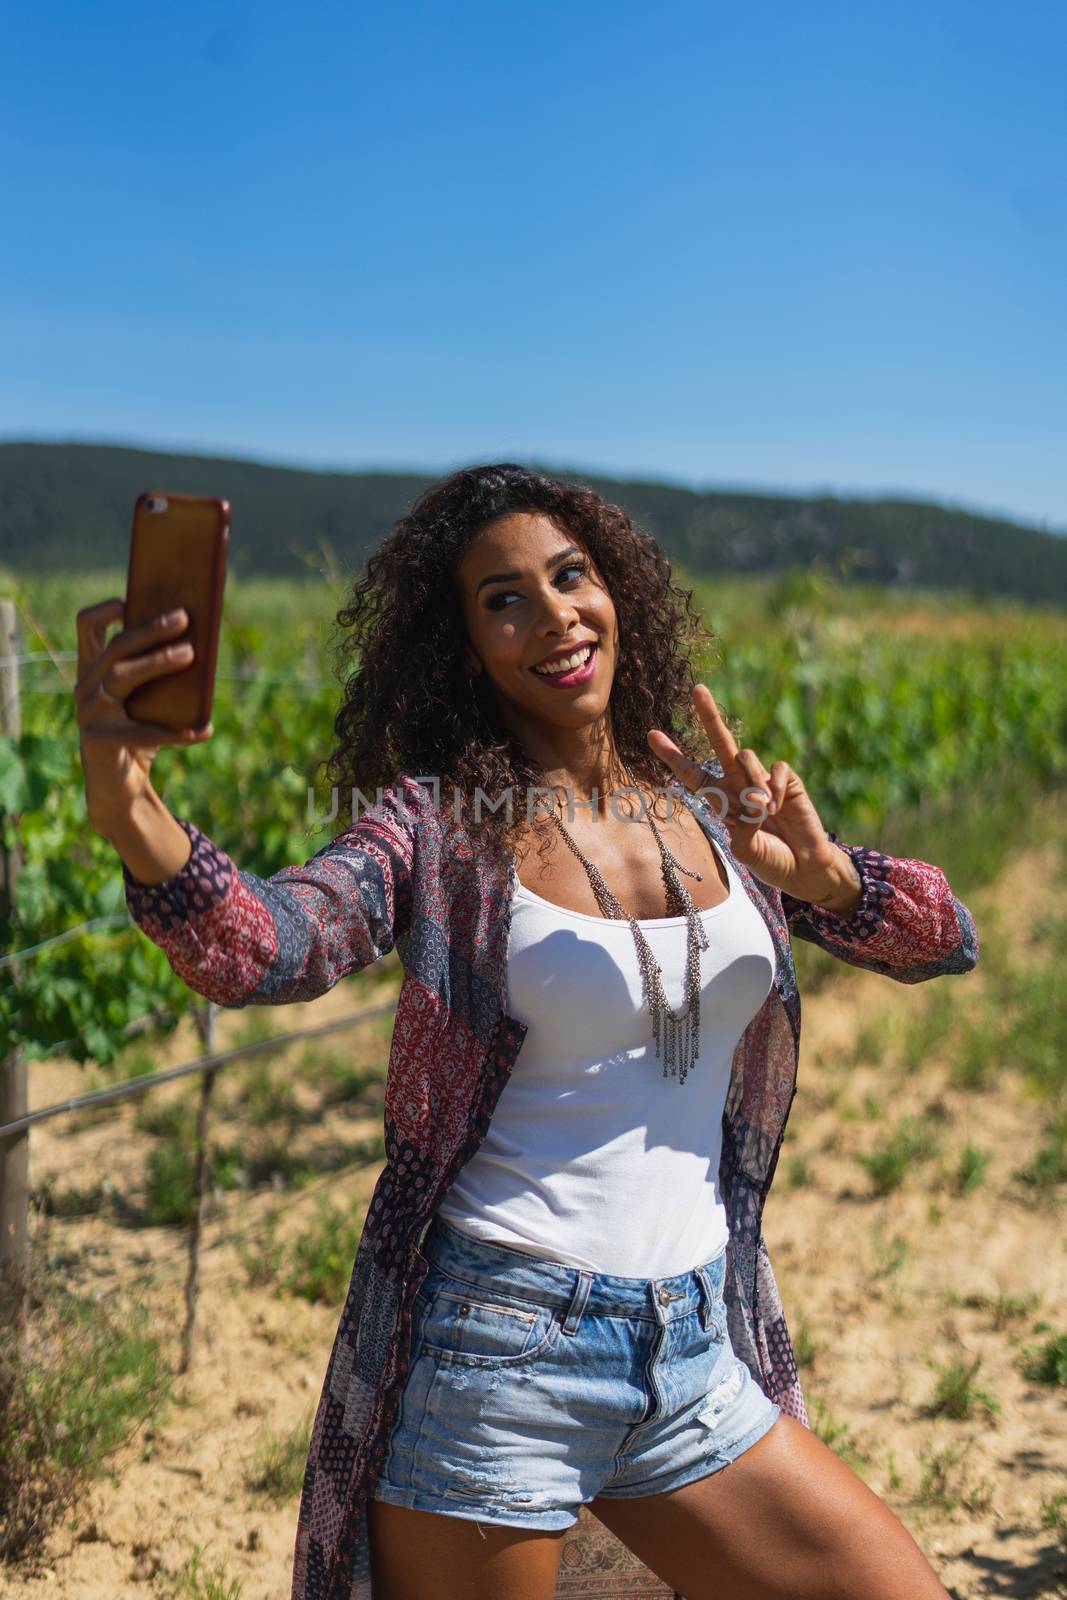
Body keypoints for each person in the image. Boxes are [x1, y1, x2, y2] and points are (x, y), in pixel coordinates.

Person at [76, 463, 979, 1600]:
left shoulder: (703, 806)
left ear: (615, 593)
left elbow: (946, 938)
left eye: (569, 576)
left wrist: (831, 877)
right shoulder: (438, 826)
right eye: (503, 598)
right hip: (495, 1351)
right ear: (464, 645)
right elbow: (267, 947)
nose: (552, 613)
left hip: (694, 1345)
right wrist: (134, 812)